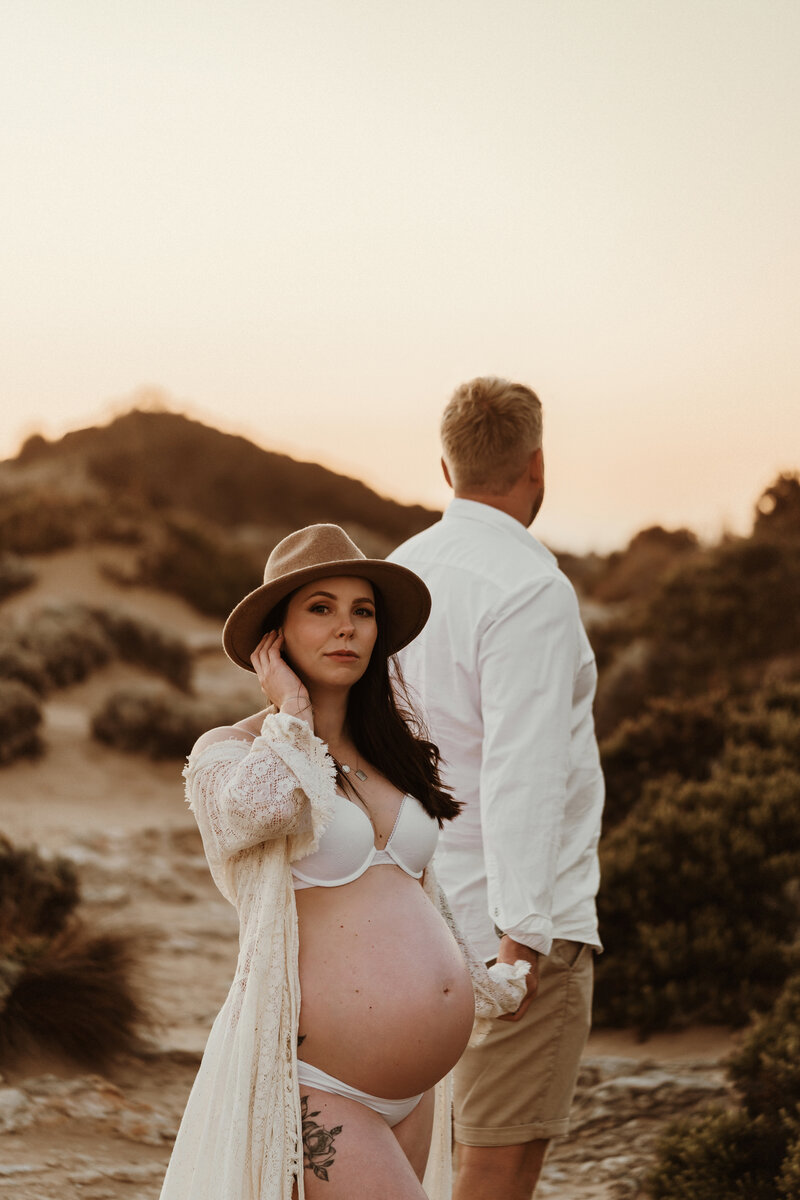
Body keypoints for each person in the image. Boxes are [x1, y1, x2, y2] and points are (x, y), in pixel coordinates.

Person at [159, 523, 530, 1200]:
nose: (347, 628)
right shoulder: (231, 753)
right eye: (321, 609)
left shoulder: (392, 751)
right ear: (276, 635)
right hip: (319, 1085)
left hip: (416, 1091)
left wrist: (482, 976)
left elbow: (417, 895)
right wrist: (292, 713)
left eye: (363, 612)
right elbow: (256, 814)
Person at [388, 378, 604, 1200]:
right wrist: (523, 939)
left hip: (408, 907)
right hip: (508, 925)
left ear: (446, 467)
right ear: (537, 465)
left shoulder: (401, 572)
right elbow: (526, 772)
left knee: (423, 1154)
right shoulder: (532, 592)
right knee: (496, 1165)